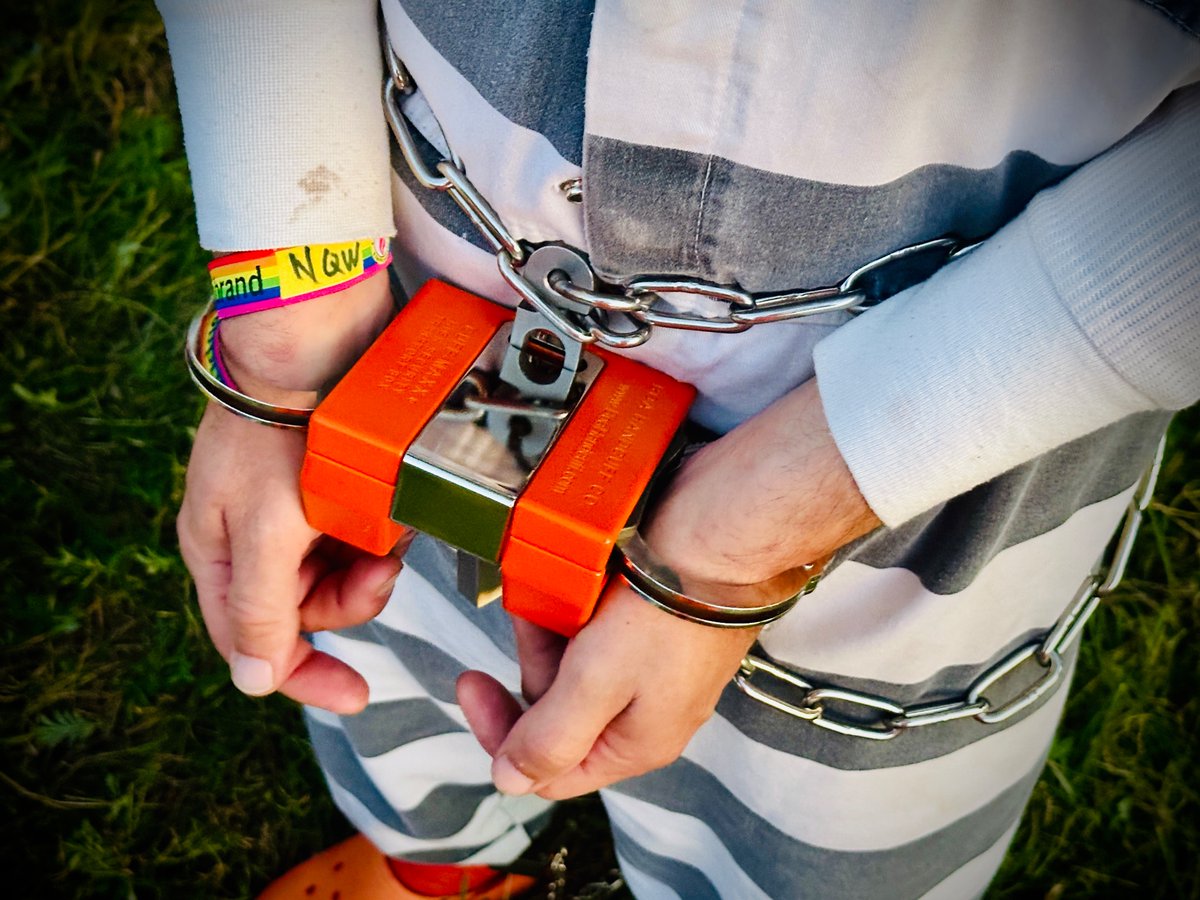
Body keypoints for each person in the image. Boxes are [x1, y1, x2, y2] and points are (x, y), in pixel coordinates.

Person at [158, 1, 1200, 897]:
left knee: (816, 832)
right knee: (403, 632)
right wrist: (285, 312)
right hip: (423, 303)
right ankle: (439, 863)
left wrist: (772, 517)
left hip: (943, 426)